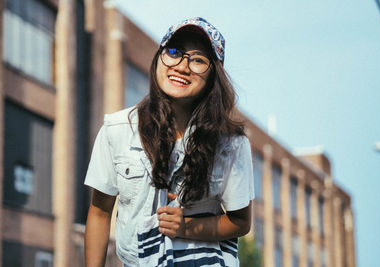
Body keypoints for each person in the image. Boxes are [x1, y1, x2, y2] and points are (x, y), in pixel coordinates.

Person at [84, 17, 254, 267]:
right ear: (159, 58)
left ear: (212, 76)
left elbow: (240, 222)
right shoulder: (118, 130)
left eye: (198, 60)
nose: (182, 66)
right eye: (174, 52)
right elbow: (99, 213)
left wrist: (186, 227)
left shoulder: (231, 144)